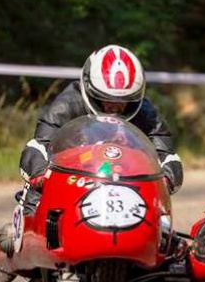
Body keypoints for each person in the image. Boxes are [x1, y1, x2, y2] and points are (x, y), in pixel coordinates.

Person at [18, 44, 183, 214]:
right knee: (36, 208)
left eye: (123, 100)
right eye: (107, 99)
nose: (115, 107)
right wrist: (39, 173)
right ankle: (28, 225)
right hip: (73, 178)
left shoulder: (145, 112)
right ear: (90, 90)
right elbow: (38, 146)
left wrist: (167, 178)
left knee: (161, 219)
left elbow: (167, 155)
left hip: (127, 181)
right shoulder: (67, 104)